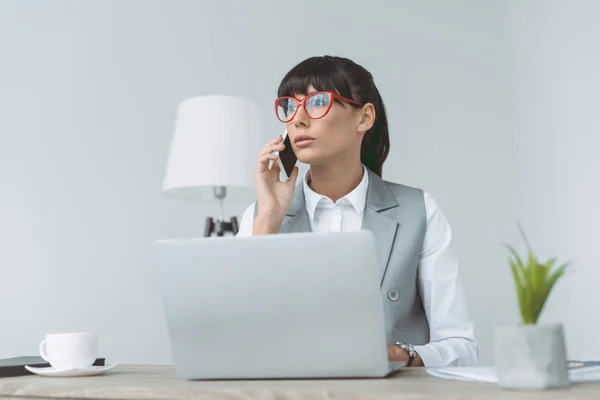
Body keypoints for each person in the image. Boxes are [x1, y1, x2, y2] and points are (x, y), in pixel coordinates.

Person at [236, 55, 478, 367]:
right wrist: (268, 221)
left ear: (364, 117)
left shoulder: (418, 211)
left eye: (316, 102)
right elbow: (240, 341)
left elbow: (462, 348)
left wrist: (401, 355)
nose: (297, 119)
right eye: (289, 105)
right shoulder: (260, 217)